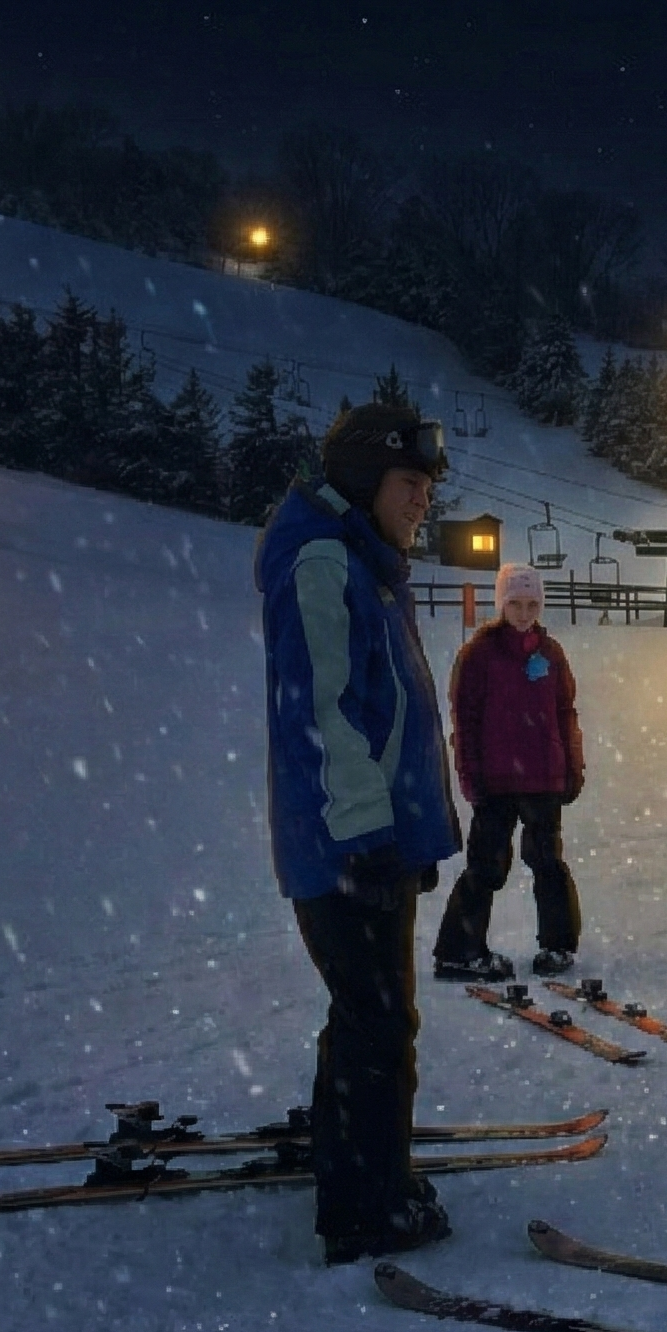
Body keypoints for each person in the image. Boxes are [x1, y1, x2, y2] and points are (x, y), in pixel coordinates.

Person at [258, 401, 462, 1267]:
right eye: (410, 483)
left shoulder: (364, 563)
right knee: (380, 1025)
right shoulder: (322, 562)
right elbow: (322, 713)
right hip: (346, 847)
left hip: (368, 838)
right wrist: (368, 834)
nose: (423, 501)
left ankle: (357, 1166)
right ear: (360, 480)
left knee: (370, 1017)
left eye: (426, 486)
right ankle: (365, 1209)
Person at [432, 564, 586, 981]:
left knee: (548, 862)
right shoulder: (479, 655)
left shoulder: (550, 653)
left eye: (532, 604)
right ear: (501, 604)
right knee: (485, 865)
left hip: (543, 779)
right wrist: (470, 775)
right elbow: (465, 720)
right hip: (497, 783)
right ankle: (458, 950)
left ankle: (558, 945)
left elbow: (564, 712)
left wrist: (573, 765)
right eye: (515, 604)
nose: (523, 612)